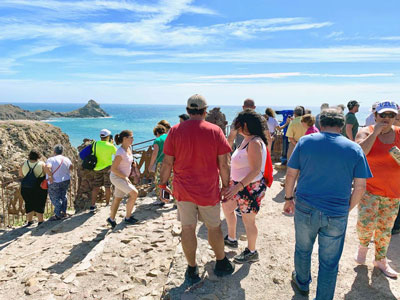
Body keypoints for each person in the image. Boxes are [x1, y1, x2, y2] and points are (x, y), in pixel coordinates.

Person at [283, 109, 372, 300]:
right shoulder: (354, 149)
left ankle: (302, 282)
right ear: (341, 126)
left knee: (303, 248)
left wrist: (288, 198)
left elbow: (291, 174)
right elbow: (360, 187)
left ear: (320, 123)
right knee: (330, 262)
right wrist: (347, 209)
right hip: (336, 212)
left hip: (305, 206)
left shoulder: (306, 142)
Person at [159, 94, 234, 284]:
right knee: (214, 227)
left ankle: (191, 268)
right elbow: (224, 164)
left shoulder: (175, 131)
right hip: (207, 190)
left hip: (183, 190)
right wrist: (226, 186)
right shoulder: (215, 131)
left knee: (187, 228)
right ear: (205, 111)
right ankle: (221, 262)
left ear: (187, 111)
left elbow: (167, 162)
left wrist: (162, 185)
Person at [354, 100, 400, 278]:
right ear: (375, 116)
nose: (387, 118)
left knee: (385, 228)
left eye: (391, 115)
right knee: (365, 224)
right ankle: (363, 247)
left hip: (393, 192)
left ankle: (380, 260)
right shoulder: (366, 132)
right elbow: (359, 153)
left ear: (395, 116)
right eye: (383, 115)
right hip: (369, 190)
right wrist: (376, 134)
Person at [222, 109, 267, 263]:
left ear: (246, 124)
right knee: (227, 207)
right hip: (239, 185)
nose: (236, 127)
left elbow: (255, 170)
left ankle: (252, 251)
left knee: (249, 221)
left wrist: (238, 186)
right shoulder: (247, 139)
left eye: (238, 124)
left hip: (249, 188)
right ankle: (232, 238)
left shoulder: (254, 142)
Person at [107, 130, 139, 228]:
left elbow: (129, 161)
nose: (133, 139)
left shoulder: (129, 148)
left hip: (122, 177)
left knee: (118, 198)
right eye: (131, 137)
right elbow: (113, 168)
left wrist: (134, 166)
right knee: (134, 193)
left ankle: (111, 219)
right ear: (125, 139)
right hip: (117, 177)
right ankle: (128, 217)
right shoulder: (120, 152)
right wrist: (125, 177)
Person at [44, 145, 73, 220]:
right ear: (62, 151)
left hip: (54, 181)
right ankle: (63, 212)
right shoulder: (66, 159)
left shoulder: (51, 159)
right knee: (63, 195)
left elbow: (47, 167)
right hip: (65, 180)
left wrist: (50, 176)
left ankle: (57, 214)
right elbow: (71, 167)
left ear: (54, 151)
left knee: (54, 197)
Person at [19, 149, 47, 226]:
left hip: (26, 187)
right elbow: (46, 174)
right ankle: (40, 221)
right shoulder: (41, 164)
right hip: (39, 187)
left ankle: (29, 221)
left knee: (28, 203)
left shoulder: (23, 164)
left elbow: (21, 175)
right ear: (38, 156)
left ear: (29, 156)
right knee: (39, 203)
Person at [91, 129, 117, 210]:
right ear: (108, 137)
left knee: (96, 187)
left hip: (97, 167)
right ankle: (107, 204)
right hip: (107, 168)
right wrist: (112, 144)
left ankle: (92, 205)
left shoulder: (95, 144)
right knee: (107, 186)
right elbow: (117, 154)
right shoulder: (110, 146)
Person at [148, 124, 171, 206]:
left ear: (157, 133)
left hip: (161, 163)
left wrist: (150, 165)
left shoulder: (157, 140)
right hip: (172, 162)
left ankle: (161, 199)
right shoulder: (170, 137)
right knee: (171, 180)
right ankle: (174, 200)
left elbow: (155, 153)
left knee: (159, 180)